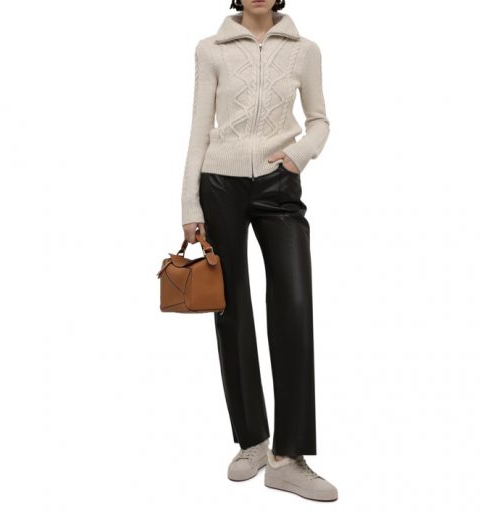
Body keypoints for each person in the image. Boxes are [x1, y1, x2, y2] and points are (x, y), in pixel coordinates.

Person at [180, 0, 337, 502]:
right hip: (219, 184)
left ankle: (288, 458)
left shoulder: (305, 50)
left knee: (294, 303)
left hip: (278, 183)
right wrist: (190, 203)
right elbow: (199, 128)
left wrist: (298, 155)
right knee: (230, 309)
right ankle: (252, 440)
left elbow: (319, 121)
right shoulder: (210, 50)